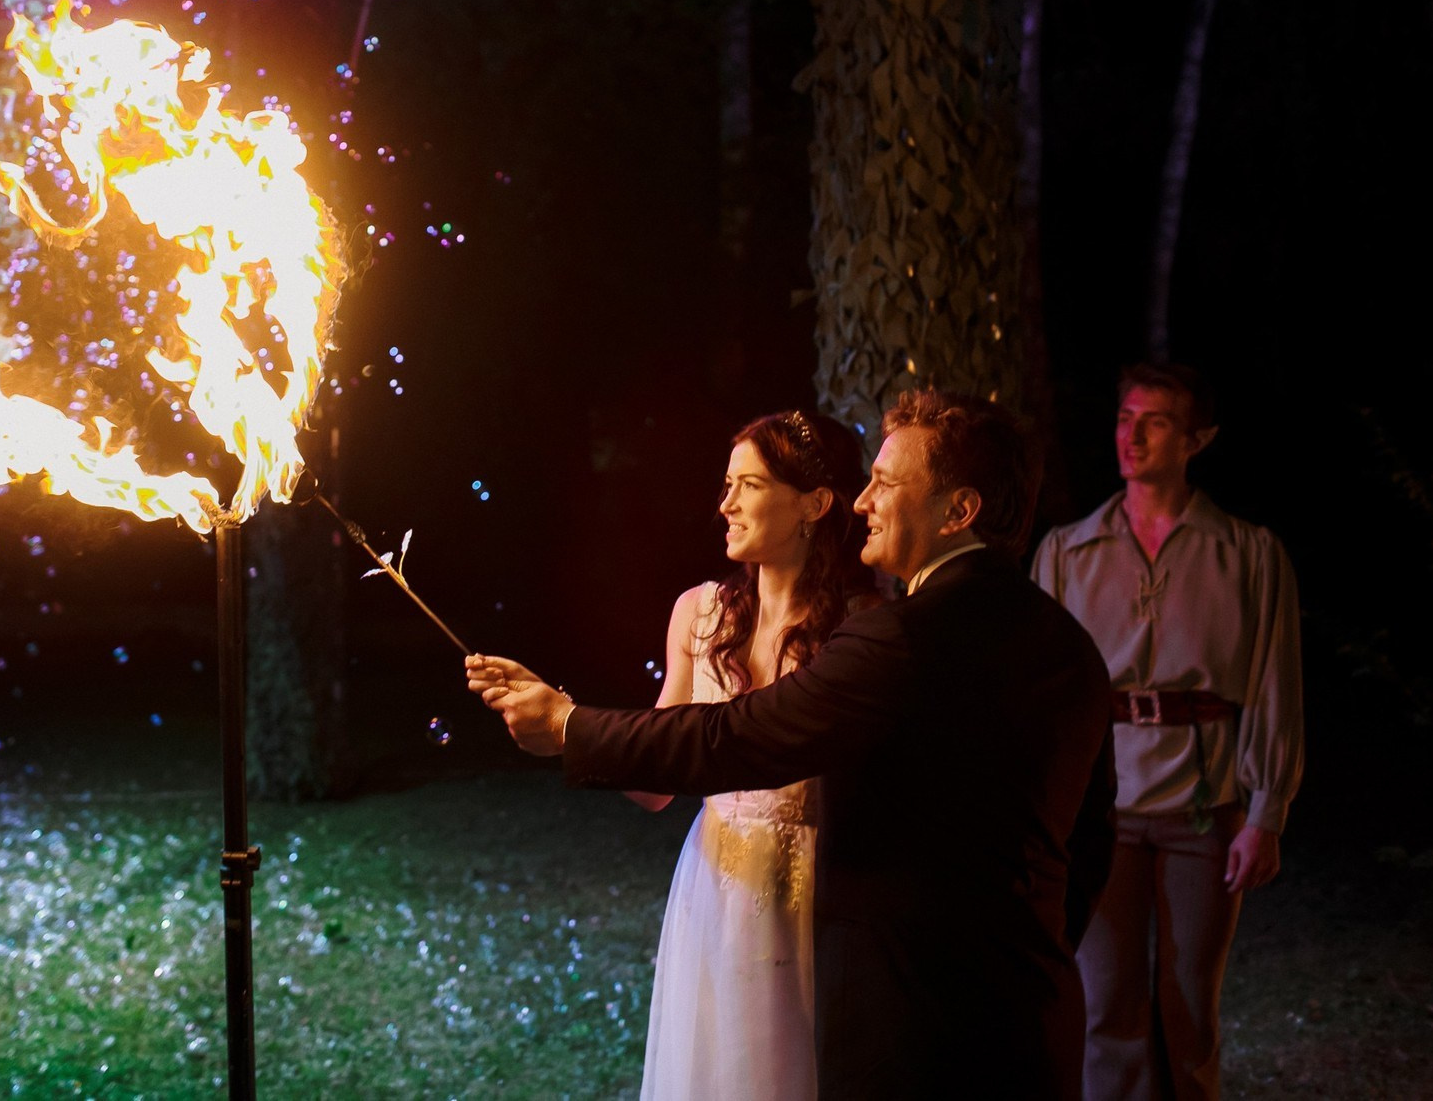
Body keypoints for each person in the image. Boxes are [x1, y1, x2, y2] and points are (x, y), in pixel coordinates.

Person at [468, 390, 1117, 1100]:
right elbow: (1089, 840)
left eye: (886, 484)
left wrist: (569, 724)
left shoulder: (892, 637)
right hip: (1032, 1018)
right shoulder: (1071, 647)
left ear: (958, 511)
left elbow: (737, 736)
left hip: (909, 1030)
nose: (863, 501)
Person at [1031, 363, 1302, 1101]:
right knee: (1105, 1007)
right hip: (1100, 810)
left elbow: (1275, 686)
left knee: (1189, 1008)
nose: (1132, 434)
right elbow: (1041, 693)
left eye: (1154, 422)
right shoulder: (1066, 552)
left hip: (1203, 809)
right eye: (1124, 417)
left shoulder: (1246, 554)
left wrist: (1266, 813)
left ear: (1195, 439)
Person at [631, 410, 874, 1100]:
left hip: (814, 897)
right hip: (712, 888)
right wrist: (560, 726)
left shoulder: (859, 633)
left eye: (749, 485)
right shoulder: (700, 615)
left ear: (815, 504)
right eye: (726, 484)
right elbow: (653, 782)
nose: (725, 504)